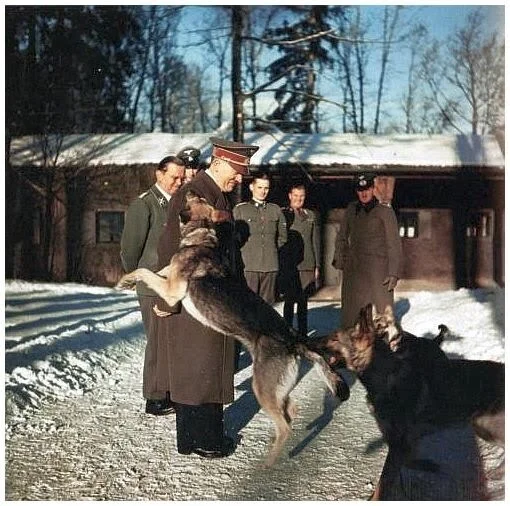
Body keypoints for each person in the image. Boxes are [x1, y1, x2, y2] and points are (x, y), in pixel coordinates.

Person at [156, 137, 259, 458]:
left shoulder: (214, 195)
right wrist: (170, 299)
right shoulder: (197, 196)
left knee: (204, 365)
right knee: (199, 367)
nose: (240, 178)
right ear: (217, 163)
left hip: (209, 295)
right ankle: (204, 440)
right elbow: (173, 251)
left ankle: (194, 439)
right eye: (237, 171)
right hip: (196, 296)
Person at [120, 155, 185, 415]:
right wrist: (139, 275)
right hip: (152, 285)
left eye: (181, 178)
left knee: (170, 340)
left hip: (172, 283)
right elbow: (129, 250)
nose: (178, 182)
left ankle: (168, 391)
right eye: (173, 177)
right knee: (157, 341)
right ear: (159, 174)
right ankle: (155, 397)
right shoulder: (145, 205)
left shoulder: (177, 204)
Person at [332, 172, 402, 329]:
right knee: (352, 319)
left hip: (379, 273)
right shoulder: (351, 210)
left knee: (382, 319)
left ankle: (384, 350)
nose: (364, 193)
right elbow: (342, 236)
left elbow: (394, 244)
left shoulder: (385, 211)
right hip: (355, 272)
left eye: (367, 189)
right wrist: (340, 260)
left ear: (373, 189)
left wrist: (394, 273)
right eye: (360, 190)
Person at [233, 171, 287, 304]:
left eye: (266, 188)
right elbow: (234, 238)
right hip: (249, 266)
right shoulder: (241, 210)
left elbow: (282, 238)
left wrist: (271, 250)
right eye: (260, 187)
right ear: (252, 187)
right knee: (248, 305)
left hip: (270, 265)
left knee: (267, 306)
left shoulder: (275, 210)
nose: (263, 192)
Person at [279, 183, 321, 337]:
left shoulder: (310, 215)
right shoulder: (283, 214)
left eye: (301, 196)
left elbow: (314, 241)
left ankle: (303, 335)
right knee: (289, 301)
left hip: (307, 263)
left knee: (303, 301)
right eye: (295, 196)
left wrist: (317, 265)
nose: (298, 199)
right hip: (290, 263)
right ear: (290, 196)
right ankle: (287, 333)